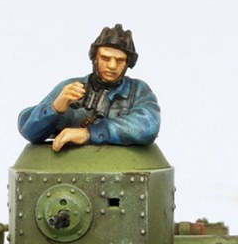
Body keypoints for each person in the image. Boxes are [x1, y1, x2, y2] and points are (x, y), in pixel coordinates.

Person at [18, 24, 160, 152]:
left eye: (120, 60)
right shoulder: (71, 88)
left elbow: (147, 126)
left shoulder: (138, 90)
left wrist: (89, 133)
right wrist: (55, 108)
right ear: (95, 58)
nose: (112, 66)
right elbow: (28, 129)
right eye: (105, 58)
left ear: (128, 63)